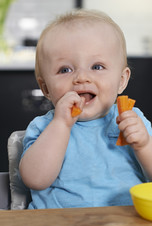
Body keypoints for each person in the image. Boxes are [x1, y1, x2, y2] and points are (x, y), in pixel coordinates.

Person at [19, 9, 152, 209]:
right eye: (65, 70)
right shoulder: (45, 127)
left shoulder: (132, 118)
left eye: (97, 67)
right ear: (46, 88)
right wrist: (61, 124)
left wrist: (144, 146)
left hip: (124, 223)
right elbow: (35, 179)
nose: (82, 77)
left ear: (121, 80)